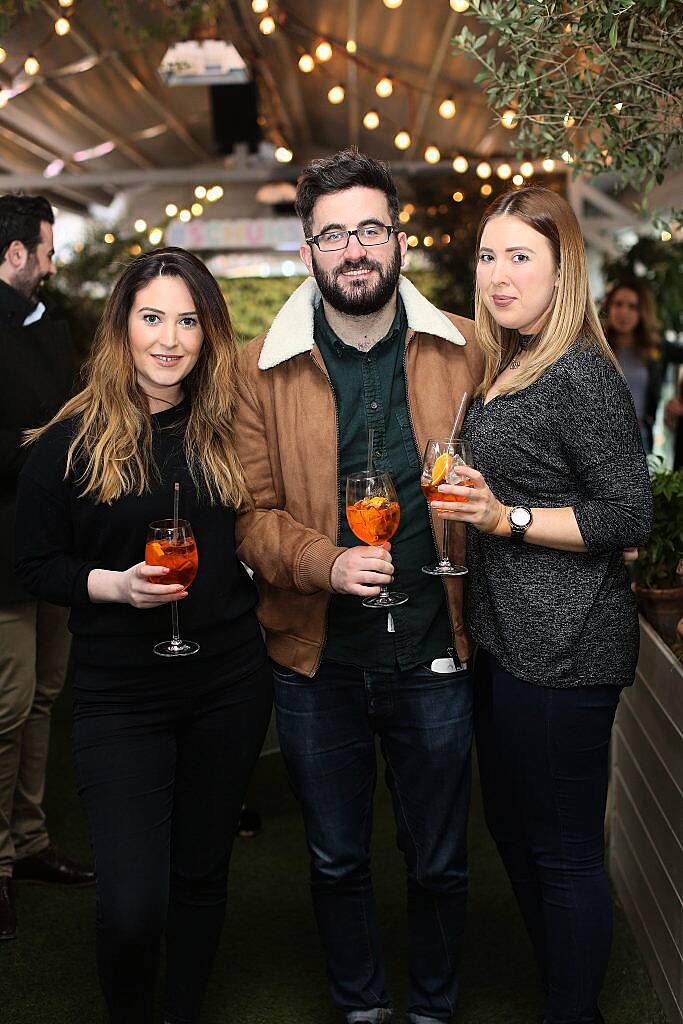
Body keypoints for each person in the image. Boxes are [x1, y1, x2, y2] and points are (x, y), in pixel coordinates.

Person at [234, 148, 484, 1024]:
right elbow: (250, 515)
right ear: (307, 251)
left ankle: (432, 1007)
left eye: (368, 229)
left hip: (433, 646)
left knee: (441, 861)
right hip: (317, 656)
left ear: (398, 242)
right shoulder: (255, 367)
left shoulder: (465, 348)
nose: (352, 250)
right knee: (336, 858)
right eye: (332, 234)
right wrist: (324, 562)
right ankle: (363, 1007)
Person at [13, 248, 273, 1023]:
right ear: (121, 326)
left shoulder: (230, 430)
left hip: (227, 680)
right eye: (152, 317)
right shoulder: (68, 443)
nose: (170, 339)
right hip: (120, 694)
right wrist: (114, 586)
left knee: (200, 875)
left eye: (188, 320)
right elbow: (36, 565)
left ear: (210, 332)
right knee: (131, 903)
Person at [430, 186, 652, 1024]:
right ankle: (563, 986)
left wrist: (504, 516)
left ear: (563, 271)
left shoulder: (580, 374)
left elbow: (626, 513)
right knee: (514, 832)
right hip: (506, 638)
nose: (496, 274)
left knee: (560, 853)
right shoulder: (512, 361)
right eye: (487, 255)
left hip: (564, 650)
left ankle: (572, 1011)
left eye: (519, 256)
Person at [0, 193, 93, 942]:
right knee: (6, 707)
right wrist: (52, 440)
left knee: (42, 699)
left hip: (55, 547)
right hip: (2, 556)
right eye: (48, 250)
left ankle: (28, 845)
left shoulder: (48, 327)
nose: (54, 264)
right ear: (14, 255)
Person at [602, 278, 662, 451]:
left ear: (641, 312)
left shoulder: (654, 351)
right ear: (609, 307)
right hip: (596, 438)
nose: (623, 312)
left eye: (632, 306)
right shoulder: (595, 348)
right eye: (618, 304)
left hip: (637, 438)